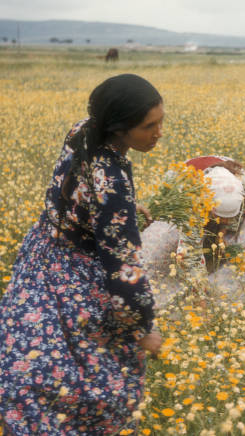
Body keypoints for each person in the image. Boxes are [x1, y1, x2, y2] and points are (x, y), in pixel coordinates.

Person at [0, 74, 164, 435]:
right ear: (119, 128)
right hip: (79, 276)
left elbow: (80, 184)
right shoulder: (113, 183)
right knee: (95, 382)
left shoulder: (83, 130)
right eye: (148, 126)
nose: (158, 133)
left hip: (42, 253)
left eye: (160, 122)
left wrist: (127, 209)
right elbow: (124, 269)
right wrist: (143, 327)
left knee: (29, 359)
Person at [139, 155, 245, 307]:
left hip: (223, 186)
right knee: (166, 245)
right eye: (218, 217)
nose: (223, 221)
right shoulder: (191, 200)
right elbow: (189, 254)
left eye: (227, 218)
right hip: (188, 181)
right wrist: (199, 296)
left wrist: (222, 232)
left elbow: (239, 211)